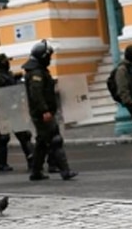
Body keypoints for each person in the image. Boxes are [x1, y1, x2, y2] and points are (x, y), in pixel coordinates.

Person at [22, 40, 76, 181]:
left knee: (42, 142)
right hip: (42, 113)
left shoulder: (38, 71)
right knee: (55, 139)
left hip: (43, 112)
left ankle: (36, 171)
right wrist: (44, 110)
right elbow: (36, 94)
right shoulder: (36, 73)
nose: (50, 59)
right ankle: (65, 171)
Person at [0, 53, 34, 172]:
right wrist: (1, 109)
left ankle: (31, 162)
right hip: (6, 111)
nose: (8, 63)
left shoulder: (6, 75)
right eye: (6, 61)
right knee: (6, 138)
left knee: (23, 136)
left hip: (14, 109)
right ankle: (2, 163)